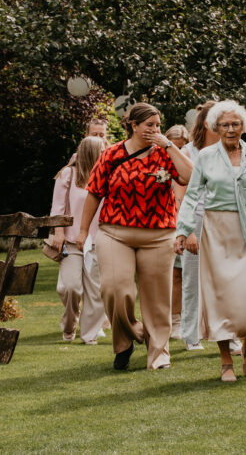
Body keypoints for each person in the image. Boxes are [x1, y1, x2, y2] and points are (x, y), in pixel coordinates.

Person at [77, 103, 193, 370]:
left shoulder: (165, 153)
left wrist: (169, 146)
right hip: (115, 233)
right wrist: (84, 231)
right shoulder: (111, 154)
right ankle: (128, 337)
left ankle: (159, 353)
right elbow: (94, 192)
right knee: (115, 290)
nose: (155, 130)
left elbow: (189, 176)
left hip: (158, 234)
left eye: (158, 125)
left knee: (157, 299)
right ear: (133, 125)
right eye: (150, 125)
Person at [175, 101, 246, 381]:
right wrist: (183, 230)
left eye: (236, 124)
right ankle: (225, 359)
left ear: (244, 126)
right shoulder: (206, 157)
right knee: (220, 296)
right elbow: (191, 195)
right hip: (217, 229)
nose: (231, 129)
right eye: (225, 124)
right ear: (215, 127)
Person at [49, 136, 107, 344]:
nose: (105, 153)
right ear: (90, 152)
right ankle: (69, 322)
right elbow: (57, 208)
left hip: (99, 240)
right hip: (72, 241)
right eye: (101, 150)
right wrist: (58, 233)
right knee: (69, 287)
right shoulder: (68, 174)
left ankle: (90, 335)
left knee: (96, 290)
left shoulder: (107, 174)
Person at [178, 101, 218, 352]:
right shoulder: (188, 153)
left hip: (224, 220)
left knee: (224, 279)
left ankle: (228, 332)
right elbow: (181, 196)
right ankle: (191, 334)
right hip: (197, 218)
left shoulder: (230, 151)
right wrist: (188, 229)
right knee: (192, 280)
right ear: (207, 123)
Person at [165, 124, 190, 339]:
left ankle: (186, 319)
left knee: (184, 274)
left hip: (184, 218)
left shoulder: (186, 162)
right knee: (173, 274)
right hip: (166, 221)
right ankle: (172, 319)